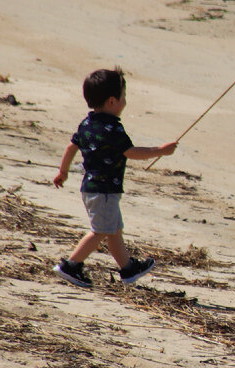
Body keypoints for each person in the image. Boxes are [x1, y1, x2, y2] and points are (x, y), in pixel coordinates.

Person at [52, 67, 177, 288]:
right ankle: (71, 265)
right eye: (123, 97)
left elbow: (71, 147)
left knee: (114, 229)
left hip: (92, 188)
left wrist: (63, 172)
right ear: (112, 101)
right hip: (104, 191)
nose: (125, 102)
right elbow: (131, 152)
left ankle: (128, 269)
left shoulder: (87, 124)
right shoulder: (113, 128)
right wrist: (161, 151)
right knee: (101, 231)